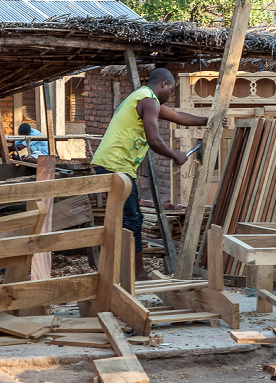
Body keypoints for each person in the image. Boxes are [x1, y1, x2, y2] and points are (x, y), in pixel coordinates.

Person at [92, 68, 222, 281]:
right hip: (116, 165)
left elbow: (179, 117)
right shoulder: (148, 101)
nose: (171, 94)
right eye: (171, 89)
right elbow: (154, 141)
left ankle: (118, 270)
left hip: (111, 164)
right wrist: (175, 156)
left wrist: (209, 121)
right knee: (133, 219)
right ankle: (137, 274)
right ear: (163, 84)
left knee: (124, 219)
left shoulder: (143, 98)